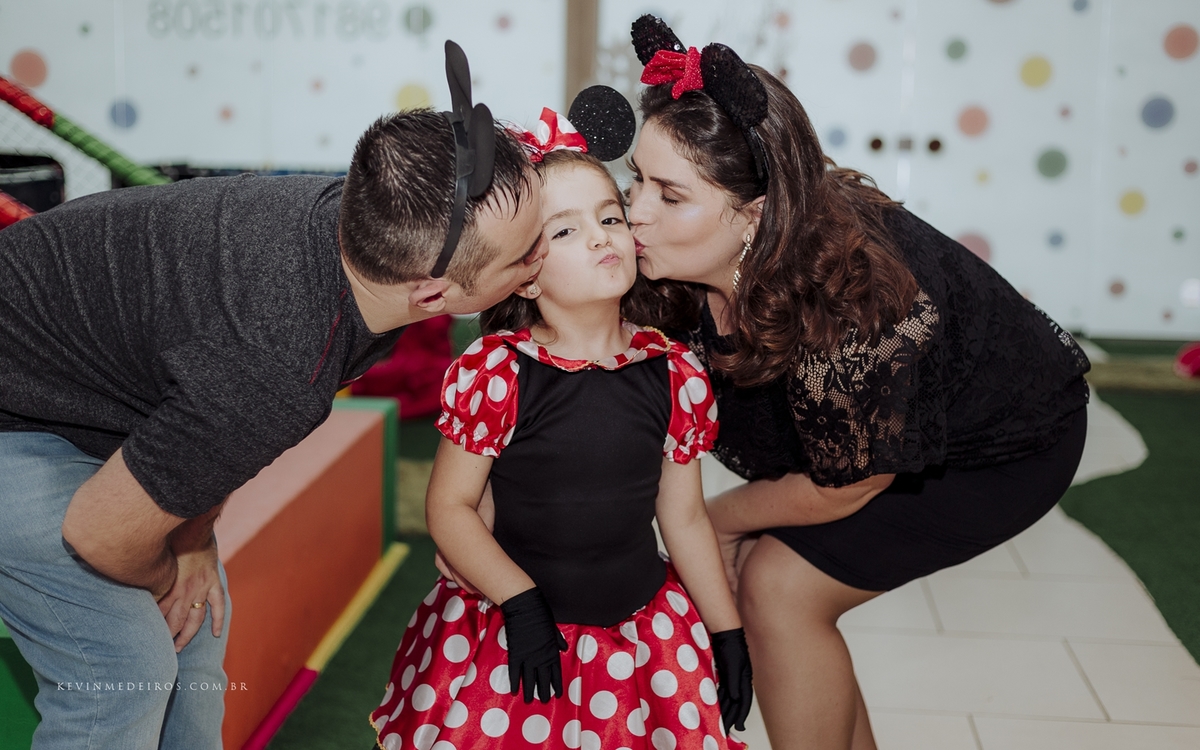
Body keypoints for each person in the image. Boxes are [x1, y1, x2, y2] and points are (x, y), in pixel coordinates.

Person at [0, 43, 544, 748]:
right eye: (527, 252)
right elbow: (100, 534)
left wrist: (192, 538)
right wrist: (169, 560)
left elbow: (213, 432)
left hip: (83, 394)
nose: (543, 259)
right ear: (435, 294)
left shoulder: (351, 228)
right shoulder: (279, 364)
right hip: (19, 419)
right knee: (124, 667)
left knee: (193, 633)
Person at [619, 16, 1091, 750]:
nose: (635, 212)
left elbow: (852, 481)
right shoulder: (674, 260)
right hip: (860, 443)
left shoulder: (851, 303)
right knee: (769, 583)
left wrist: (725, 518)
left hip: (1000, 447)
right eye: (637, 179)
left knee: (777, 587)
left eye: (670, 196)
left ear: (756, 215)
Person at [369, 106, 753, 750]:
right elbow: (451, 506)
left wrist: (727, 630)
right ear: (525, 267)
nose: (603, 237)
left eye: (609, 217)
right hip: (508, 631)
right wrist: (520, 602)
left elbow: (682, 518)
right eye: (567, 232)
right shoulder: (498, 372)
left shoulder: (675, 370)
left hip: (642, 638)